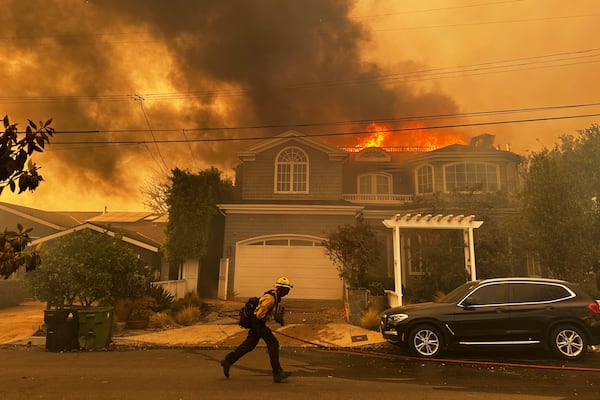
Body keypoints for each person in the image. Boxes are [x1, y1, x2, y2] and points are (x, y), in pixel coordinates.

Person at [220, 277, 293, 383]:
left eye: (288, 290)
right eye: (286, 290)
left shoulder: (275, 297)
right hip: (257, 323)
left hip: (258, 323)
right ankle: (277, 373)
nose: (287, 293)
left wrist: (277, 317)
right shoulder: (270, 299)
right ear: (280, 289)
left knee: (249, 346)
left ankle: (227, 361)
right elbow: (259, 315)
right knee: (273, 343)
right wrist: (271, 317)